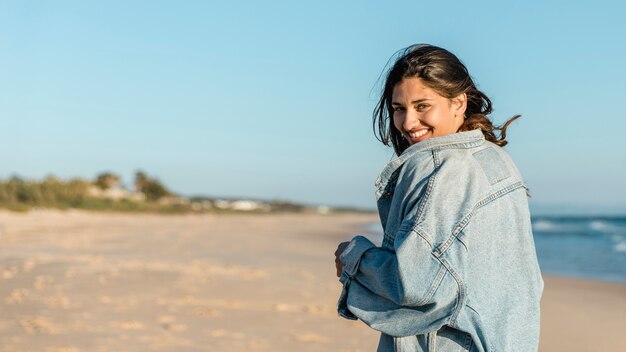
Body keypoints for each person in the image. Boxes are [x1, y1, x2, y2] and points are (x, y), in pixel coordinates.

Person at [334, 44, 543, 352]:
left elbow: (415, 284)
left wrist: (355, 258)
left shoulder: (443, 169)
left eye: (422, 106)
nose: (407, 123)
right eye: (398, 109)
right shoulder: (496, 160)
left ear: (458, 102)